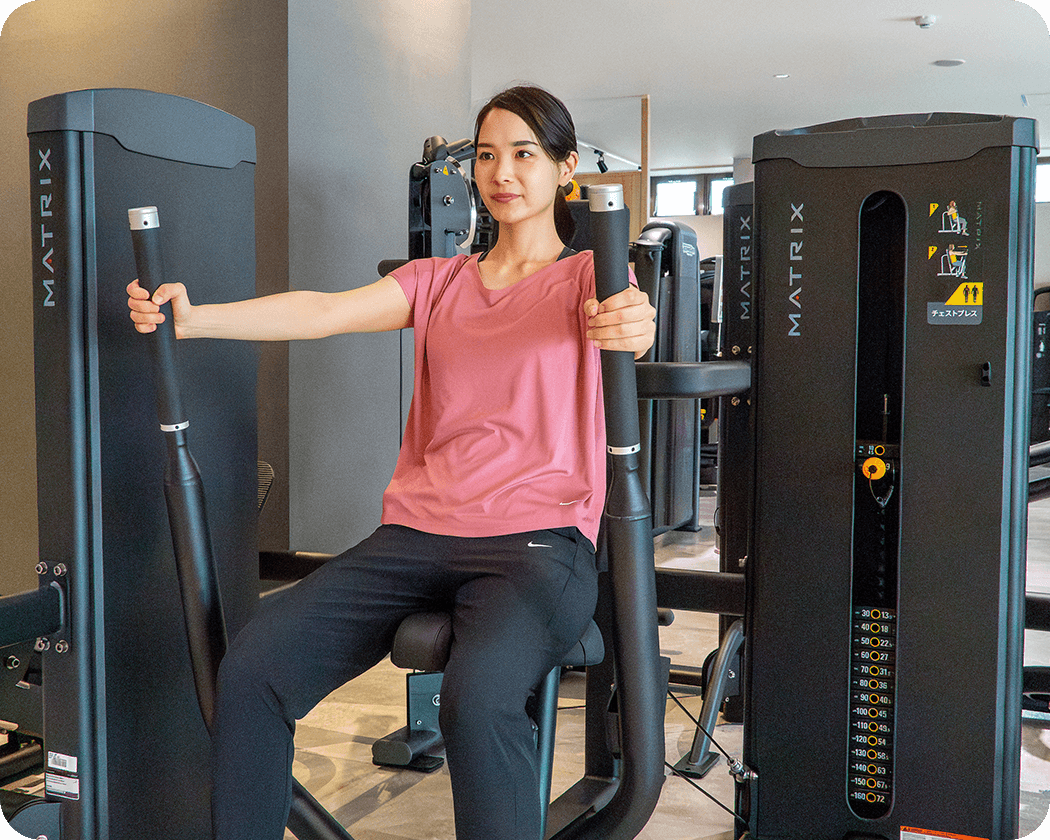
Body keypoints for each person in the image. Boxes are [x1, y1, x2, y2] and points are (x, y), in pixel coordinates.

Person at [127, 84, 656, 840]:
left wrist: (636, 323)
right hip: (414, 538)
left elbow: (629, 318)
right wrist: (194, 318)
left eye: (524, 154)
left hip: (537, 545)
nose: (502, 172)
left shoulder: (588, 278)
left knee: (475, 703)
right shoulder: (437, 282)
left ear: (564, 168)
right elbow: (323, 311)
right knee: (252, 669)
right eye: (486, 155)